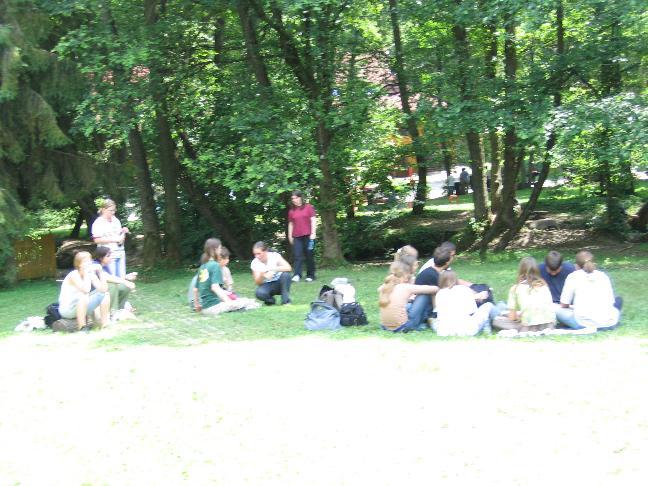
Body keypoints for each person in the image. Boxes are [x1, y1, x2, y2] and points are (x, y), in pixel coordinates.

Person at [556, 251, 621, 331]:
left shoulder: (573, 277)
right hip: (608, 321)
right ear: (594, 264)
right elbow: (611, 302)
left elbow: (564, 304)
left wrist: (572, 307)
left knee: (556, 310)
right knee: (617, 303)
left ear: (576, 266)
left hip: (583, 323)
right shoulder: (603, 276)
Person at [493, 256, 556, 332]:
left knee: (496, 320)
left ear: (521, 271)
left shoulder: (515, 288)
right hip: (549, 325)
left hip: (528, 327)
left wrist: (518, 317)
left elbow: (512, 318)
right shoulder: (544, 286)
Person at [193, 238, 252, 316]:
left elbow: (195, 289)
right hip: (215, 307)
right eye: (220, 248)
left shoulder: (202, 266)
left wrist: (197, 305)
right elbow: (215, 287)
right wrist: (229, 302)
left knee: (241, 301)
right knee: (249, 302)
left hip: (204, 309)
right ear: (215, 249)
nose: (220, 250)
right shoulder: (215, 265)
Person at [379, 260, 439, 332]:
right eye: (408, 276)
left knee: (409, 305)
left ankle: (425, 321)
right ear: (405, 275)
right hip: (403, 327)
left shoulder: (384, 287)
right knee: (424, 295)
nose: (408, 279)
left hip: (385, 326)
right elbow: (435, 289)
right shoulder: (404, 287)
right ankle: (430, 318)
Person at [57, 251, 110, 331]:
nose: (89, 263)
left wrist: (100, 272)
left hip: (82, 306)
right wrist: (87, 273)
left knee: (105, 294)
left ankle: (104, 324)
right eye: (85, 261)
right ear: (79, 264)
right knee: (84, 296)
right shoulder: (73, 275)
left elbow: (103, 289)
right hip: (68, 309)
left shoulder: (90, 274)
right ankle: (82, 327)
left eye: (90, 261)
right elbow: (86, 290)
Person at [432, 270, 496, 336]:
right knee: (488, 305)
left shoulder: (439, 294)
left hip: (444, 331)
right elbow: (472, 311)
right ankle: (498, 317)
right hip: (466, 330)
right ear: (455, 279)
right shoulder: (463, 289)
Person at [94, 246, 137, 318]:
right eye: (108, 256)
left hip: (102, 291)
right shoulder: (95, 265)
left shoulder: (105, 265)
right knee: (112, 285)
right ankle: (113, 312)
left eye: (111, 255)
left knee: (124, 287)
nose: (111, 257)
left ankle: (120, 309)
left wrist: (126, 277)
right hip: (94, 293)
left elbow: (112, 278)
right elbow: (106, 277)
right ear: (101, 258)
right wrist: (125, 281)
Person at [92, 199, 129, 277]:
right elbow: (96, 240)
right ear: (103, 210)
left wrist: (123, 232)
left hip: (120, 252)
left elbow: (120, 238)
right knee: (112, 278)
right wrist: (114, 240)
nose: (113, 212)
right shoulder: (98, 222)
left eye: (114, 210)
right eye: (111, 210)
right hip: (108, 254)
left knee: (122, 278)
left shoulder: (116, 220)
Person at [288, 190, 316, 282]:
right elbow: (291, 224)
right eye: (292, 198)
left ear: (300, 197)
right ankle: (297, 275)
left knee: (309, 255)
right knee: (297, 256)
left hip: (308, 236)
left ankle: (310, 275)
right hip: (297, 237)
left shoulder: (308, 207)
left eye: (296, 198)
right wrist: (290, 236)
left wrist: (313, 233)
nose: (294, 200)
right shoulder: (291, 211)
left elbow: (313, 220)